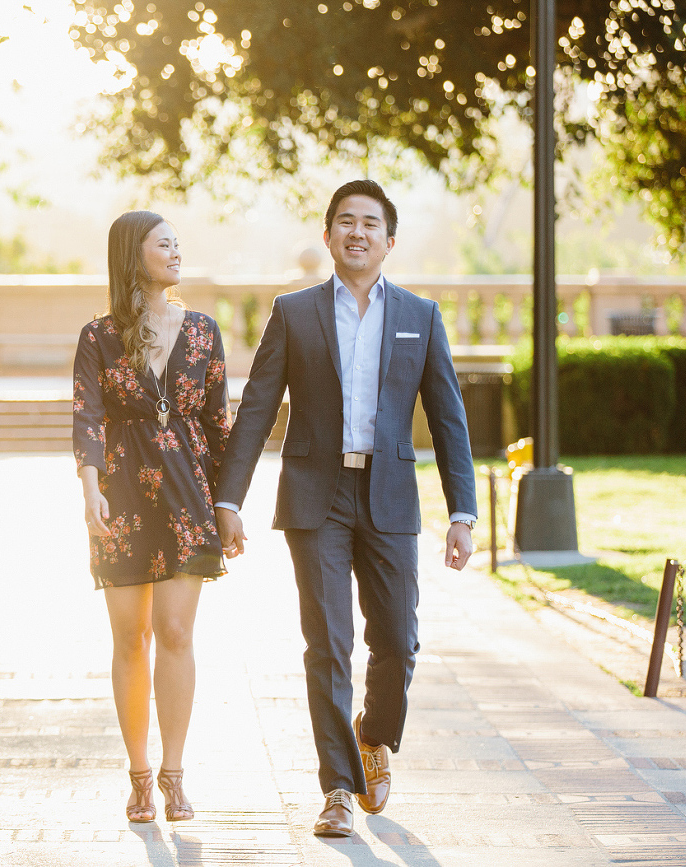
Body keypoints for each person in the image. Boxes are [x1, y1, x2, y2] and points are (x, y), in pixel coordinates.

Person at [213, 180, 478, 837]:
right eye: (344, 222)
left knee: (397, 640)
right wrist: (228, 497)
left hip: (388, 497)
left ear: (389, 240)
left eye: (369, 223)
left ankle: (372, 732)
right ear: (328, 236)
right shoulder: (294, 311)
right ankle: (335, 786)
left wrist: (462, 511)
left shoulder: (419, 314)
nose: (356, 232)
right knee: (326, 643)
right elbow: (257, 407)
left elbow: (448, 418)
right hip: (315, 497)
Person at [72, 210, 232, 824]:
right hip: (120, 496)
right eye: (162, 243)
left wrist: (229, 504)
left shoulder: (202, 331)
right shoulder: (99, 336)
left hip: (188, 497)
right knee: (128, 637)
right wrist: (89, 488)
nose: (174, 251)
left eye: (176, 243)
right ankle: (138, 773)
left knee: (176, 633)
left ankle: (174, 772)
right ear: (131, 255)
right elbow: (86, 415)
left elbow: (220, 424)